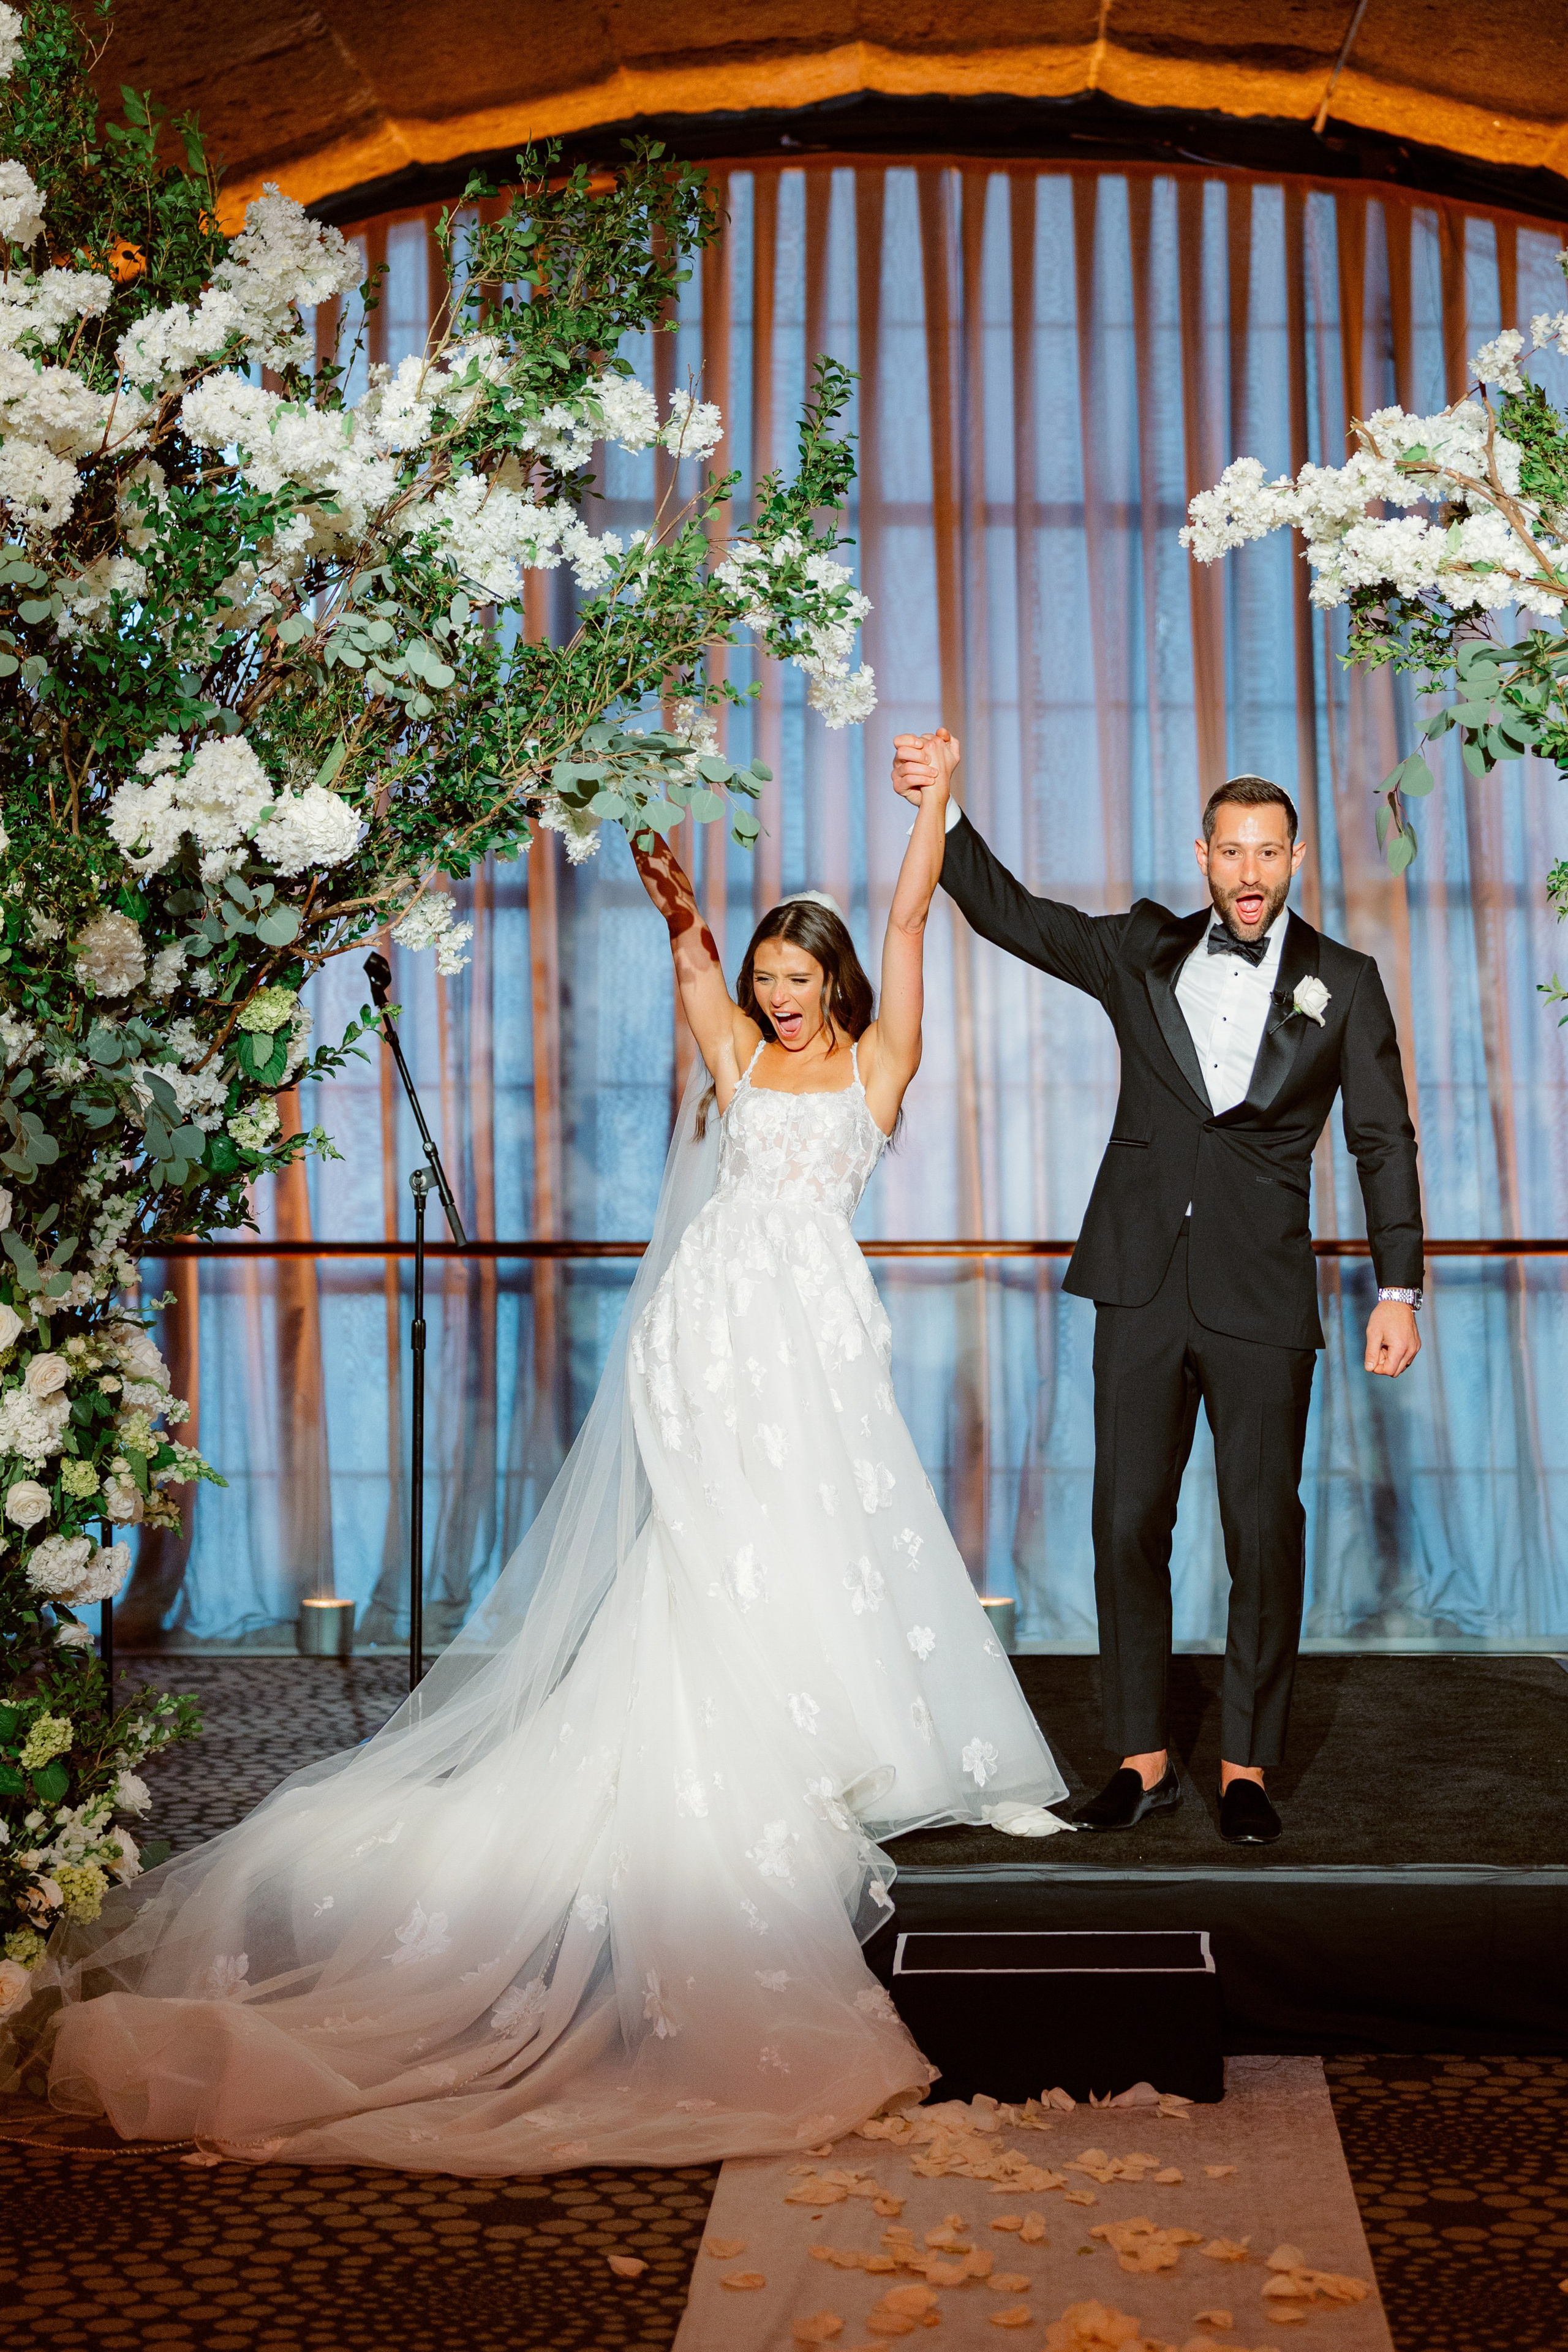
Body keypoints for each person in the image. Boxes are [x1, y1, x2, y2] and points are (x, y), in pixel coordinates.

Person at [32, 779, 1068, 2175]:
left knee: (825, 1525)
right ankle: (761, 1732)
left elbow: (905, 911)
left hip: (817, 1339)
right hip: (707, 1333)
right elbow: (689, 942)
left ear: (836, 983)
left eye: (796, 976)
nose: (774, 995)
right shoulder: (737, 1055)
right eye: (764, 976)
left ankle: (831, 1734)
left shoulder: (878, 1066)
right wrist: (667, 872)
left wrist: (938, 802)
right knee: (717, 1543)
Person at [891, 729, 1424, 1847]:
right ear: (1203, 855)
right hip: (1138, 1280)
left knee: (1261, 1531)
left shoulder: (1348, 983)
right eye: (1229, 850)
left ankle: (1245, 1767)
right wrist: (943, 811)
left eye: (1267, 852)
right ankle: (1139, 1759)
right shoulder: (1139, 948)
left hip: (1263, 1293)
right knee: (1126, 1520)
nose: (1246, 871)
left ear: (1295, 860)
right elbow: (1014, 917)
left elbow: (1383, 1142)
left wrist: (1399, 1289)